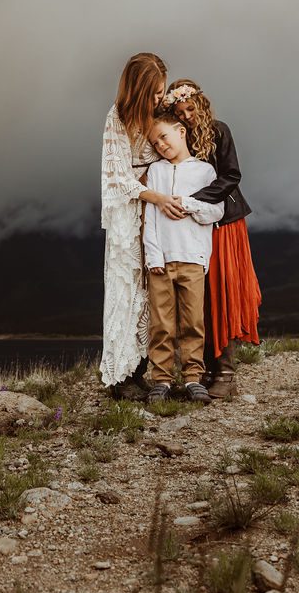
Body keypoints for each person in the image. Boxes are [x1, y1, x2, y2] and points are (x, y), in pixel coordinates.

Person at [162, 79, 262, 398]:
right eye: (179, 111)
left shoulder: (219, 130)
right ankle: (203, 371)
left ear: (201, 104)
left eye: (191, 108)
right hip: (193, 226)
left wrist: (194, 198)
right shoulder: (174, 139)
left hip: (226, 223)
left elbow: (231, 176)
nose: (187, 115)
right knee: (201, 295)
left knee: (223, 292)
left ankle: (227, 373)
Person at [100, 53, 188, 400]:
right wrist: (155, 195)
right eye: (153, 93)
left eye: (161, 93)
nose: (158, 99)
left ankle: (141, 370)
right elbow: (117, 174)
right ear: (137, 89)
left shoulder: (160, 112)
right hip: (131, 209)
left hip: (156, 207)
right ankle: (120, 375)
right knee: (127, 289)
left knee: (153, 290)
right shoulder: (118, 116)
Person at [141, 112, 224, 403]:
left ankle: (192, 377)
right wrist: (153, 256)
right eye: (155, 142)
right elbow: (150, 217)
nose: (160, 145)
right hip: (161, 261)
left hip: (193, 258)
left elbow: (217, 212)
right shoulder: (156, 172)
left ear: (180, 131)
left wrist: (187, 204)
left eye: (163, 136)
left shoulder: (205, 172)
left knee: (193, 322)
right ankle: (161, 379)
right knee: (161, 323)